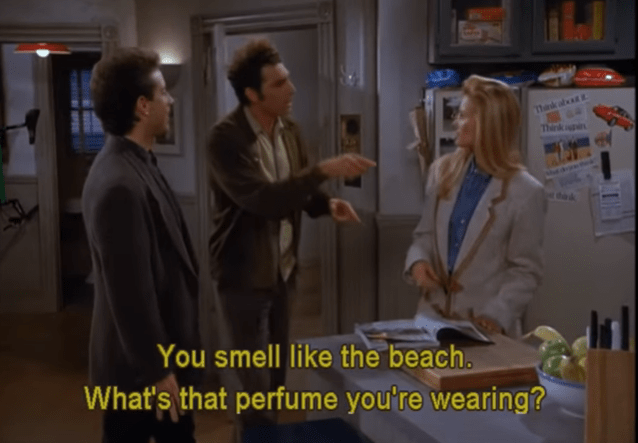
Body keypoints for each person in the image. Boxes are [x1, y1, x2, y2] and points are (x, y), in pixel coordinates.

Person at [206, 39, 375, 440]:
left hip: (283, 272)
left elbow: (293, 189)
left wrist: (324, 204)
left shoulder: (291, 131)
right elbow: (263, 199)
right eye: (279, 83)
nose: (292, 89)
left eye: (288, 79)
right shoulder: (225, 139)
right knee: (254, 394)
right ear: (252, 94)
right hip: (242, 276)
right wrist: (322, 170)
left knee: (274, 384)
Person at [83, 47, 201, 442]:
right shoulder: (119, 183)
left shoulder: (137, 161)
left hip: (153, 364)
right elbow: (129, 292)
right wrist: (157, 370)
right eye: (163, 92)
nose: (171, 101)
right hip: (139, 375)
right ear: (142, 106)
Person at [404, 75, 547, 338]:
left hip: (486, 332)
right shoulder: (441, 172)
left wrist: (496, 315)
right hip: (431, 324)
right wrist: (418, 262)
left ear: (486, 124)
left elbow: (525, 271)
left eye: (462, 115)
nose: (455, 122)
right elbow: (424, 235)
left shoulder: (525, 192)